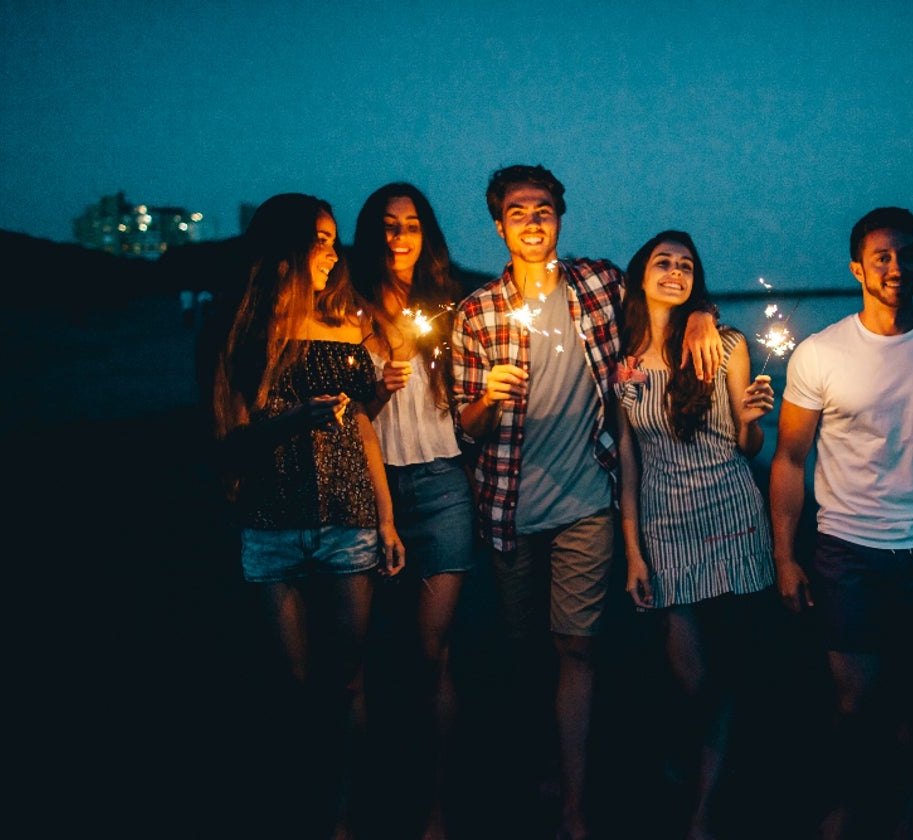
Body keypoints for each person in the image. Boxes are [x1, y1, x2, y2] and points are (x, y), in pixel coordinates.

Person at [450, 165, 723, 840]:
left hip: (588, 503)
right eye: (518, 212)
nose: (533, 221)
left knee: (578, 651)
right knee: (525, 652)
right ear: (499, 225)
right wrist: (491, 396)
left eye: (544, 209)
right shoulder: (477, 312)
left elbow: (667, 292)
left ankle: (574, 805)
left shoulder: (599, 282)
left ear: (560, 217)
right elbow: (465, 425)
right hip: (509, 504)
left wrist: (701, 320)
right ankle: (542, 758)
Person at [768, 207, 913, 839]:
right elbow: (791, 458)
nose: (897, 266)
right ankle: (848, 810)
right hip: (848, 551)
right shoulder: (821, 354)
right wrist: (785, 557)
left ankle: (899, 821)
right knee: (854, 705)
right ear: (857, 269)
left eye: (906, 254)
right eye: (882, 256)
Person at [211, 193, 406, 840]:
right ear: (286, 247)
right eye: (318, 240)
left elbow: (366, 432)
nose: (331, 251)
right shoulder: (240, 330)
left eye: (331, 239)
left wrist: (387, 520)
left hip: (350, 518)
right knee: (293, 684)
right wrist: (294, 419)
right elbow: (230, 438)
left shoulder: (348, 329)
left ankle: (343, 820)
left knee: (349, 681)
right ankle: (296, 807)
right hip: (271, 523)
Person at [615, 231, 776, 840]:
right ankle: (686, 753)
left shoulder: (727, 345)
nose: (676, 272)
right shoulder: (624, 363)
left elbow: (748, 445)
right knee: (693, 678)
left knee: (728, 672)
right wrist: (632, 550)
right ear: (642, 276)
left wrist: (754, 419)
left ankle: (703, 813)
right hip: (663, 529)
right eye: (664, 263)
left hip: (733, 519)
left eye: (686, 266)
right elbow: (628, 459)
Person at [350, 182, 476, 840]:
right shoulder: (350, 306)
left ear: (427, 233)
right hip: (373, 486)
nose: (400, 236)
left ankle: (435, 806)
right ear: (372, 234)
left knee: (433, 652)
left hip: (443, 483)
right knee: (369, 653)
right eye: (388, 225)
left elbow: (468, 401)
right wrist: (374, 389)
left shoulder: (448, 306)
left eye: (412, 224)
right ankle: (370, 792)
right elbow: (351, 415)